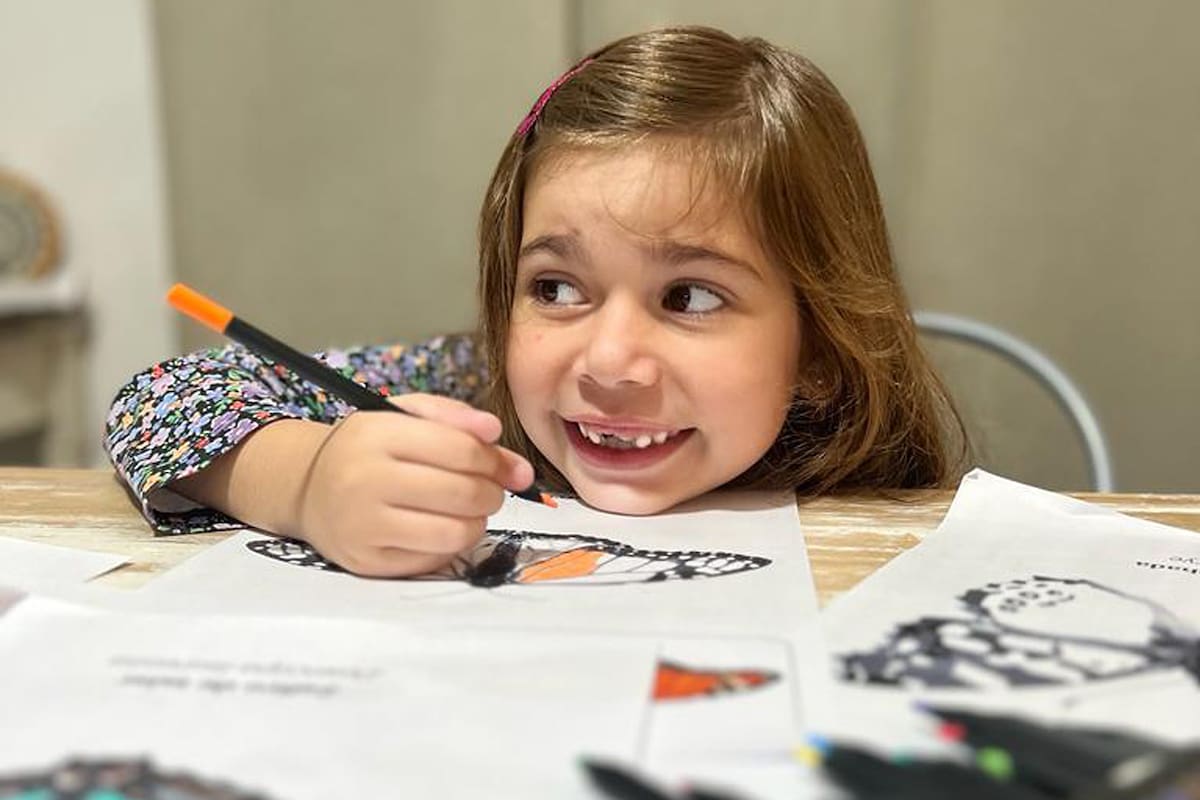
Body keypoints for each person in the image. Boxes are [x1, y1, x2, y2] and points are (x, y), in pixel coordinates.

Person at [105, 26, 966, 578]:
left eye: (690, 295)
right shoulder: (469, 381)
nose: (607, 360)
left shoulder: (891, 534)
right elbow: (160, 400)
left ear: (817, 343)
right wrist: (307, 483)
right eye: (556, 288)